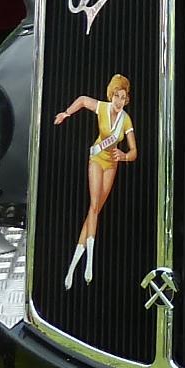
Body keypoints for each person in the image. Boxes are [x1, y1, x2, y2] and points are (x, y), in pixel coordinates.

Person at [53, 75, 136, 288]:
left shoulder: (125, 120)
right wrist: (66, 113)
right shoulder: (102, 107)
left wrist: (124, 156)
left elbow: (134, 150)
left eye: (123, 97)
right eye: (117, 96)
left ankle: (73, 267)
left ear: (126, 100)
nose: (119, 101)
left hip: (112, 164)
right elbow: (81, 100)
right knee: (93, 205)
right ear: (112, 95)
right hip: (97, 159)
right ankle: (89, 261)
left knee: (95, 209)